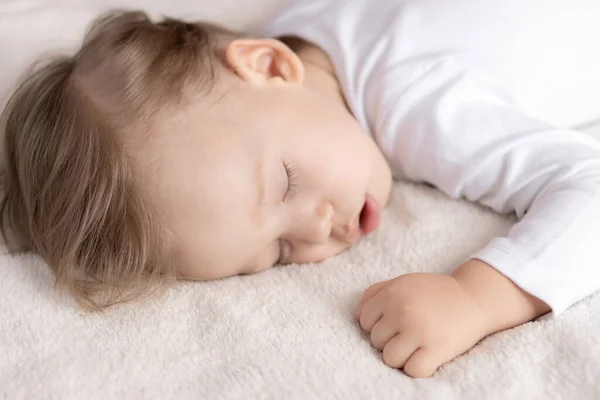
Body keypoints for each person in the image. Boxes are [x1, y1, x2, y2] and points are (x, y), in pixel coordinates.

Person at [1, 0, 600, 378]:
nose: (315, 229)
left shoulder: (425, 108)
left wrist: (475, 299)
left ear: (268, 63)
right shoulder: (307, 29)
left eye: (285, 182)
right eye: (280, 252)